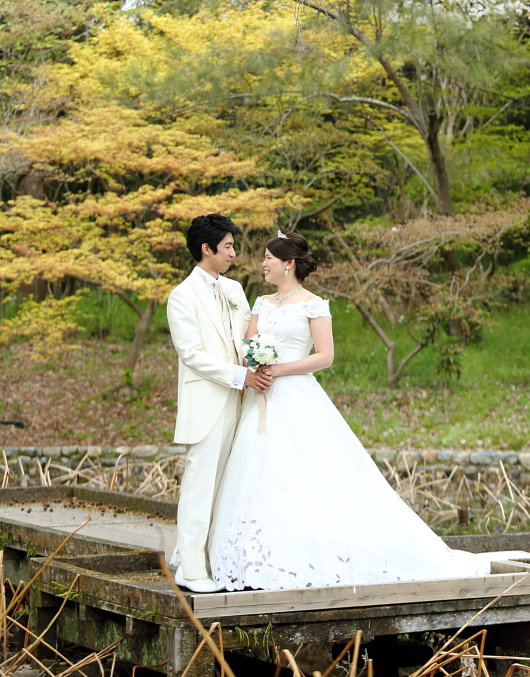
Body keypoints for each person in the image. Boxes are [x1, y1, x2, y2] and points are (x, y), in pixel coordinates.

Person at [209, 230, 489, 591]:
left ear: (288, 264)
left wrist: (277, 368)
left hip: (296, 396)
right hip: (260, 398)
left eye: (268, 258)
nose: (262, 263)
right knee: (256, 472)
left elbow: (324, 356)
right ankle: (249, 560)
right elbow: (247, 345)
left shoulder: (313, 304)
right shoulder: (260, 303)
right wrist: (255, 363)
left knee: (303, 475)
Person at [166, 213, 272, 593]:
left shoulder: (234, 290)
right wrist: (241, 374)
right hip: (208, 402)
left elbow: (245, 339)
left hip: (240, 402)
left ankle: (219, 564)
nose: (233, 252)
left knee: (229, 487)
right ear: (206, 249)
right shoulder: (181, 296)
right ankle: (190, 569)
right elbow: (191, 354)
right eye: (227, 246)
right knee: (200, 484)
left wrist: (260, 359)